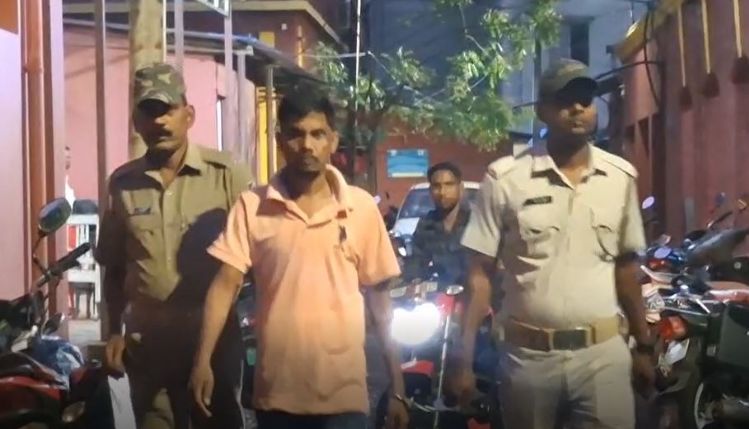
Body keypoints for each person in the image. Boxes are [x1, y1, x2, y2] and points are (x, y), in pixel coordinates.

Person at [447, 59, 655, 428]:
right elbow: (479, 276)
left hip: (602, 357)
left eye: (585, 100)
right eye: (565, 100)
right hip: (528, 361)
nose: (577, 108)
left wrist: (644, 345)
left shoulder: (620, 178)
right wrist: (463, 361)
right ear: (542, 111)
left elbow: (626, 269)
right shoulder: (506, 179)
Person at [189, 84, 409, 429]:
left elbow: (381, 303)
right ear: (280, 141)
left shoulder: (361, 208)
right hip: (277, 397)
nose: (307, 145)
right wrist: (202, 360)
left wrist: (398, 388)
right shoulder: (252, 206)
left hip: (344, 399)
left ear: (333, 141)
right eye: (296, 134)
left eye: (318, 134)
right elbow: (225, 285)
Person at [95, 62, 252, 429]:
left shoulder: (226, 175)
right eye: (149, 112)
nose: (160, 122)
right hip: (149, 350)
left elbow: (255, 256)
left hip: (214, 346)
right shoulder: (122, 184)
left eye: (167, 110)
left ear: (189, 115)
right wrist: (114, 332)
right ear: (136, 122)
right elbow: (115, 267)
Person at [402, 162, 470, 285]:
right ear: (430, 191)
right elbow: (416, 262)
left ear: (460, 188)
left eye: (449, 185)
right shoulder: (426, 226)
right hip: (438, 292)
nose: (442, 192)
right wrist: (414, 280)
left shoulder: (476, 223)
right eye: (437, 186)